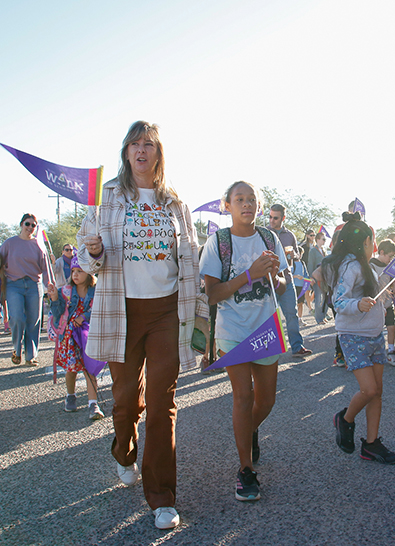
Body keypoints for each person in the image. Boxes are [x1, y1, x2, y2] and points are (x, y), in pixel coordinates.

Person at [77, 120, 199, 530]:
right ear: (126, 152)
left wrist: (199, 316)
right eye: (135, 144)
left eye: (150, 144)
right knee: (127, 399)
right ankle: (124, 451)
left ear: (159, 153)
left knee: (163, 404)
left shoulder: (176, 203)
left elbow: (191, 263)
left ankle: (162, 495)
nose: (142, 150)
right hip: (121, 309)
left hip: (167, 312)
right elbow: (85, 259)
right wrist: (93, 251)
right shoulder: (106, 196)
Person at [201, 180, 288, 502]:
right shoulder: (218, 242)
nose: (246, 204)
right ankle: (245, 469)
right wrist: (249, 274)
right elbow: (212, 294)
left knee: (265, 401)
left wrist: (275, 276)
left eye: (251, 199)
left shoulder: (269, 238)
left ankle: (248, 432)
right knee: (243, 396)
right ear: (228, 205)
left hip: (265, 327)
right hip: (233, 329)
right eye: (239, 199)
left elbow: (279, 286)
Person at [330, 212, 395, 465]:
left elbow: (378, 294)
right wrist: (357, 303)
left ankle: (371, 444)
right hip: (353, 336)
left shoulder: (368, 266)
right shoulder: (350, 267)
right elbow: (338, 301)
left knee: (377, 392)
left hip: (374, 335)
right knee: (368, 389)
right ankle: (345, 419)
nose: (375, 245)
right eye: (373, 241)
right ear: (366, 242)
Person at [47, 257, 103, 420]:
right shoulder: (65, 291)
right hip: (70, 337)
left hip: (88, 334)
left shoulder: (97, 289)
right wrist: (55, 298)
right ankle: (70, 395)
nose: (76, 275)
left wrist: (85, 316)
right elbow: (57, 315)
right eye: (73, 271)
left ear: (90, 273)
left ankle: (93, 404)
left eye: (80, 271)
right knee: (71, 370)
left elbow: (101, 308)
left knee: (89, 368)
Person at [0, 213, 52, 366]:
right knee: (16, 318)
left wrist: (50, 285)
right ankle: (16, 348)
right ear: (21, 225)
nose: (30, 227)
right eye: (27, 224)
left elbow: (46, 268)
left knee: (34, 321)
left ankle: (31, 356)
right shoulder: (10, 243)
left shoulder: (38, 245)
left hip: (34, 284)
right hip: (14, 284)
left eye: (33, 225)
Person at [268, 204, 312, 358]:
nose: (272, 220)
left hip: (287, 279)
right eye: (270, 217)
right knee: (269, 316)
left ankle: (297, 346)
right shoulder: (264, 233)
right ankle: (271, 349)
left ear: (283, 218)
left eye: (275, 218)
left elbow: (296, 257)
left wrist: (294, 255)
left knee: (291, 314)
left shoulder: (290, 235)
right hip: (269, 281)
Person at [369, 239, 395, 365]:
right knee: (376, 330)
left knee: (391, 327)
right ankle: (373, 353)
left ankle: (391, 352)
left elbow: (393, 283)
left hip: (387, 303)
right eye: (390, 256)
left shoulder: (390, 267)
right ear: (381, 252)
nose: (391, 259)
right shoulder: (371, 265)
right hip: (376, 305)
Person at [308, 230, 327, 324]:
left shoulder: (324, 250)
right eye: (323, 239)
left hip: (324, 278)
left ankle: (323, 316)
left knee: (325, 298)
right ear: (318, 239)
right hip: (316, 278)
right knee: (318, 298)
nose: (324, 241)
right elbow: (310, 264)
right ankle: (319, 319)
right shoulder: (313, 251)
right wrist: (311, 277)